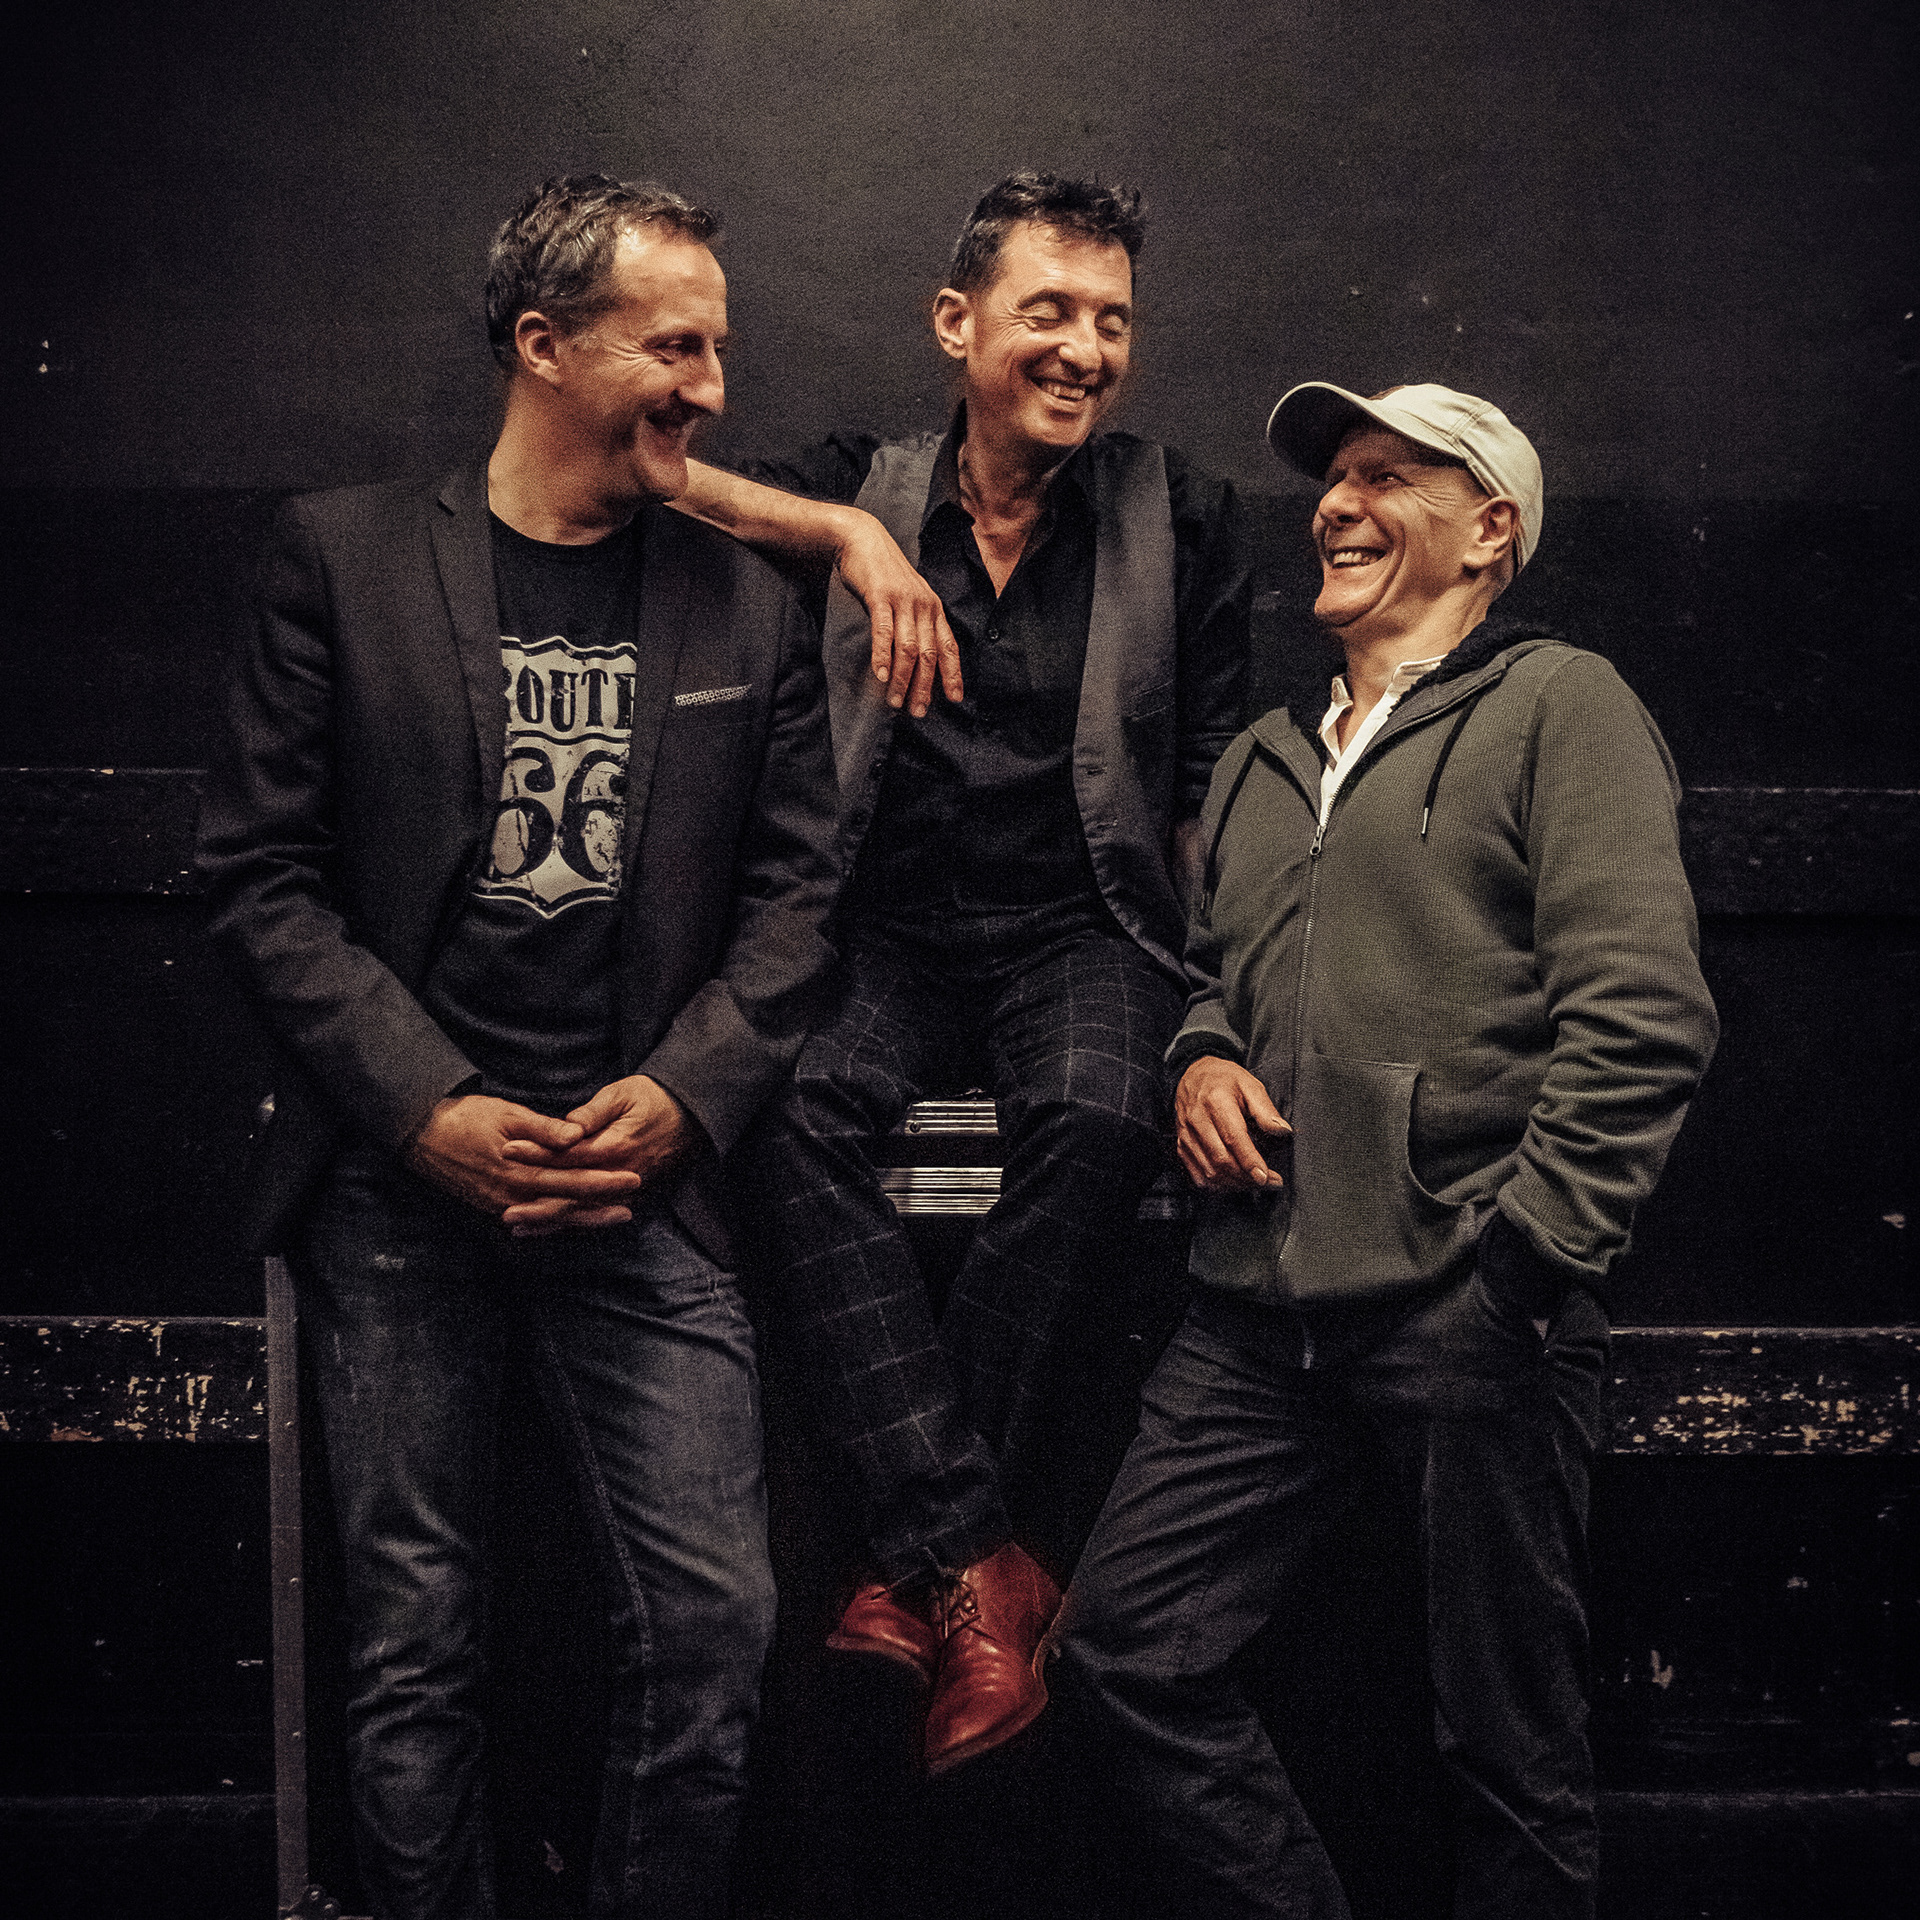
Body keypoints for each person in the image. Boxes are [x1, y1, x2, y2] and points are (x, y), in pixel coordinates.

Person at [196, 174, 843, 1920]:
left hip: (643, 1189)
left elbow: (799, 909)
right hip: (400, 1189)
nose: (712, 386)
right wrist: (429, 1112)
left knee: (717, 1623)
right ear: (544, 345)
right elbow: (260, 879)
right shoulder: (339, 560)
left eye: (718, 348)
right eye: (674, 347)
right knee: (414, 1640)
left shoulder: (747, 609)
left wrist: (684, 1099)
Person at [1054, 382, 1719, 1917]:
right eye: (1334, 480)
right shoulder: (1263, 760)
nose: (1338, 506)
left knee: (1508, 1749)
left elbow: (1646, 1013)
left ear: (1490, 531)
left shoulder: (1562, 707)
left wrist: (1523, 1269)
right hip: (1252, 1313)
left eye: (1387, 478)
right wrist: (1200, 1055)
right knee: (1124, 1649)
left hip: (1468, 1303)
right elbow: (1219, 976)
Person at [667, 171, 1250, 1775]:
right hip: (884, 934)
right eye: (1047, 310)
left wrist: (1216, 1003)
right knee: (785, 1115)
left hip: (1086, 929)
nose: (1084, 349)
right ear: (957, 323)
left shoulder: (1182, 512)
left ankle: (920, 1560)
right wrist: (850, 537)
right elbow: (655, 473)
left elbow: (1205, 782)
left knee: (1103, 1116)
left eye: (1111, 320)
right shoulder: (855, 484)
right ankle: (980, 1558)